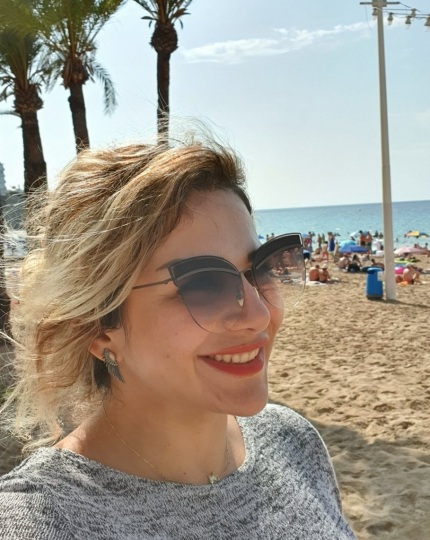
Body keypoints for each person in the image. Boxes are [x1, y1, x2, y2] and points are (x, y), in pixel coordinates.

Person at [0, 130, 356, 539]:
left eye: (260, 269)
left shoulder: (293, 442)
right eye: (203, 284)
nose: (259, 315)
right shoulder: (39, 522)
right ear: (97, 328)